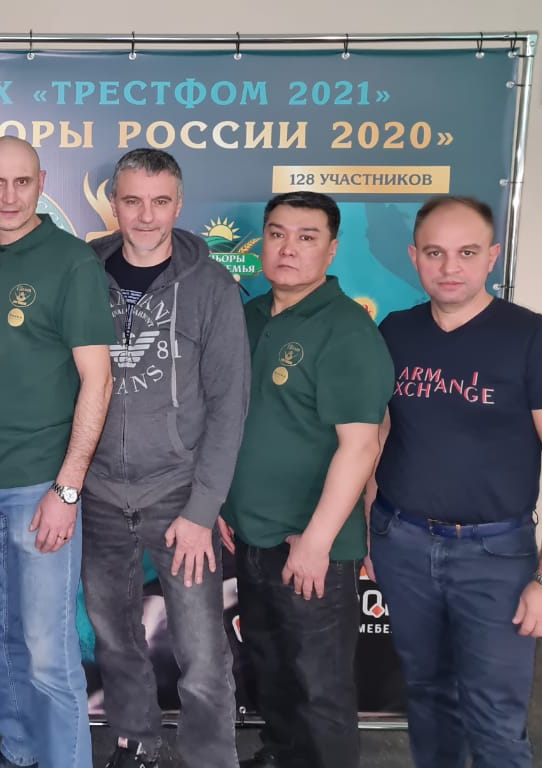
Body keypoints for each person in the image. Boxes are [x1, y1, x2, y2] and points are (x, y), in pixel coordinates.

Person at [369, 195, 542, 768]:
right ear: (414, 257)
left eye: (467, 253)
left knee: (494, 716)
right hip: (403, 543)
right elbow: (379, 436)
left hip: (495, 557)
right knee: (426, 695)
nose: (450, 268)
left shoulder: (538, 340)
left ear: (492, 257)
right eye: (435, 253)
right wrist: (372, 528)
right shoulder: (395, 331)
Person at [82, 149, 249, 768]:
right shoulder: (80, 273)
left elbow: (230, 407)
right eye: (132, 201)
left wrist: (203, 509)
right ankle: (136, 741)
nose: (145, 216)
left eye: (159, 202)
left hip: (179, 495)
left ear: (179, 206)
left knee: (201, 651)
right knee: (114, 636)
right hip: (99, 493)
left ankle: (211, 758)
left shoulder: (212, 288)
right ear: (114, 204)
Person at [0, 136, 114, 768]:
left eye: (22, 182)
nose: (10, 196)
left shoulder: (72, 263)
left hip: (40, 489)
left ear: (42, 181)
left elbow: (98, 380)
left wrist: (66, 488)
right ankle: (20, 752)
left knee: (49, 654)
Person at [220, 191, 394, 768]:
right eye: (276, 234)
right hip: (253, 536)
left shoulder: (346, 329)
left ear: (332, 249)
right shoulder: (248, 317)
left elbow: (361, 445)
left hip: (312, 545)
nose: (288, 248)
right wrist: (222, 502)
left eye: (306, 237)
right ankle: (281, 756)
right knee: (273, 672)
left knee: (321, 690)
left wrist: (317, 543)